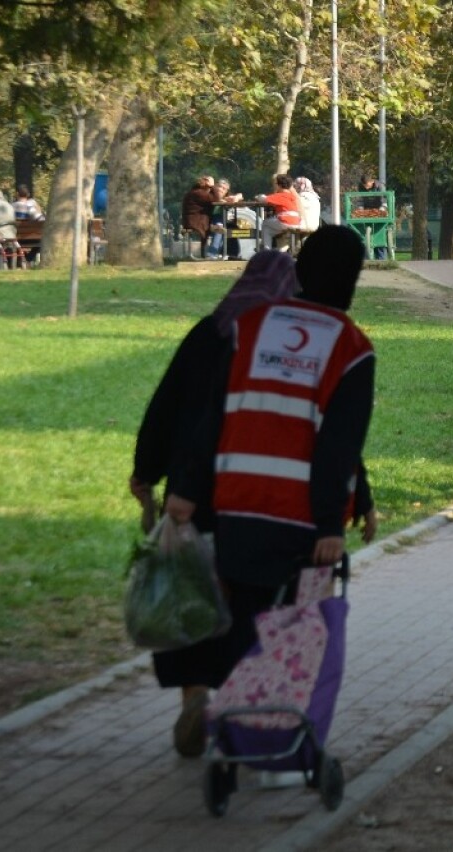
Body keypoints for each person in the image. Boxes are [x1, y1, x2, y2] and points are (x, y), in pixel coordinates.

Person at [159, 227, 379, 756]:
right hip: (301, 523)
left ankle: (224, 711)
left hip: (236, 506)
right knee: (291, 632)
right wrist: (332, 524)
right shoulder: (351, 348)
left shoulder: (250, 328)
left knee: (239, 620)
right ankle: (265, 730)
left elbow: (213, 415)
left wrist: (187, 489)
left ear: (301, 272)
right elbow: (338, 445)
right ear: (352, 279)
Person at [129, 251, 304, 755]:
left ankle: (194, 696)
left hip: (191, 491)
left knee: (191, 593)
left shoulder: (209, 332)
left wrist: (147, 471)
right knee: (242, 600)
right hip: (254, 494)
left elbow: (164, 406)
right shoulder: (280, 347)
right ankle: (237, 699)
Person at [258, 173, 303, 250]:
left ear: (279, 185)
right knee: (268, 230)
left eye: (276, 183)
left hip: (286, 221)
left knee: (265, 223)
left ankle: (266, 250)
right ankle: (269, 249)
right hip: (297, 222)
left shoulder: (280, 195)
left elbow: (263, 199)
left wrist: (259, 196)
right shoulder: (292, 196)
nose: (275, 185)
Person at [181, 176, 220, 257]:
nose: (210, 190)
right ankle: (211, 254)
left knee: (219, 225)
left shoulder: (194, 192)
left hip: (192, 221)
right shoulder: (198, 193)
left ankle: (208, 254)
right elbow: (216, 199)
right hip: (195, 222)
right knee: (221, 227)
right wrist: (213, 186)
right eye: (209, 188)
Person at [357, 174, 389, 259]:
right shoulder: (361, 186)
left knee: (379, 235)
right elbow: (360, 199)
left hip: (379, 210)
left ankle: (381, 259)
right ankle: (364, 260)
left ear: (372, 181)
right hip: (366, 212)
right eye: (364, 186)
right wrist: (361, 209)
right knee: (363, 237)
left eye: (367, 185)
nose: (366, 188)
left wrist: (381, 210)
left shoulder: (380, 186)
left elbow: (384, 200)